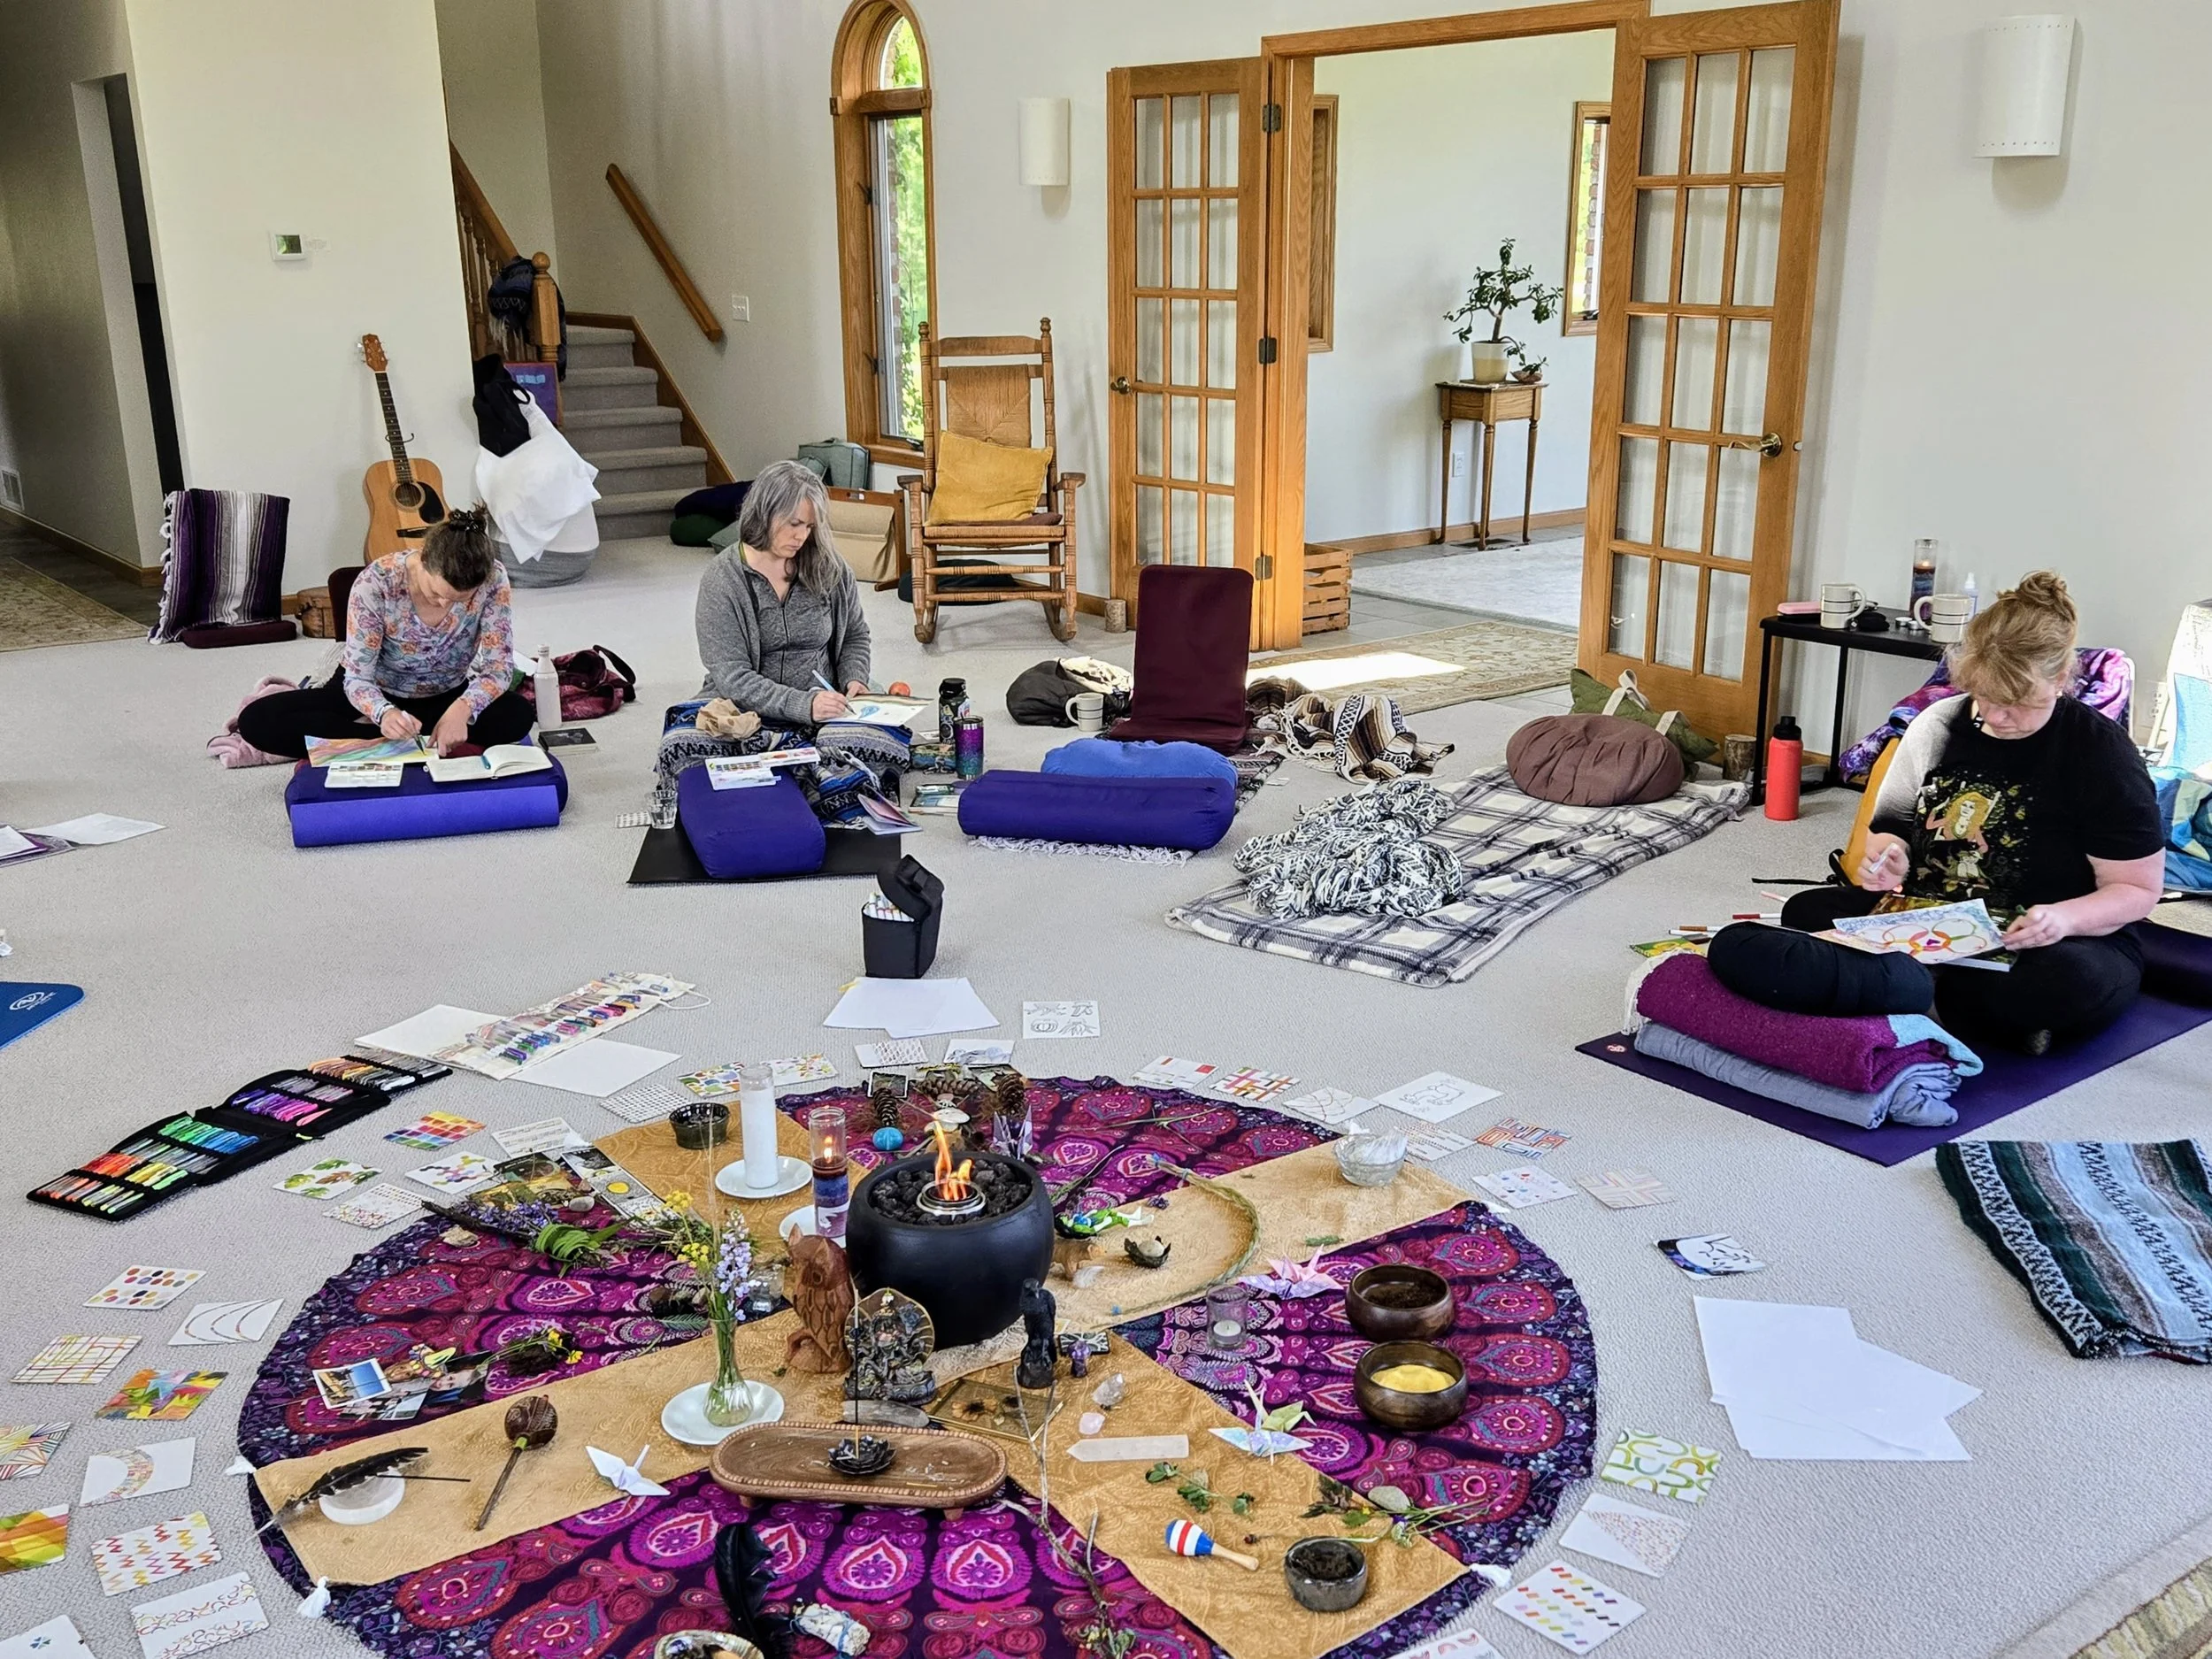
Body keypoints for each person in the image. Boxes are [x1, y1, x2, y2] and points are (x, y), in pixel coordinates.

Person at [1781, 572, 2165, 1050]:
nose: (1999, 717)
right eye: (1986, 698)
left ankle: (1908, 991)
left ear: (2061, 680)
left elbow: (2136, 890)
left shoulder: (2101, 753)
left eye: (2019, 703)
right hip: (1929, 918)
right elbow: (1887, 835)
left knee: (2067, 982)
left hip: (2042, 938)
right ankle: (1945, 1000)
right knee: (1804, 913)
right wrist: (1885, 859)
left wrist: (2063, 920)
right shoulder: (1938, 725)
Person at [236, 507, 532, 760]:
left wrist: (463, 709)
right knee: (257, 721)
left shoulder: (494, 579)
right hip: (372, 693)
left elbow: (498, 668)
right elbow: (357, 679)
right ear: (424, 558)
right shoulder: (376, 583)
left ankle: (387, 741)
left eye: (460, 600)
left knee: (518, 715)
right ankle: (400, 737)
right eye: (436, 593)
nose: (445, 605)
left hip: (446, 693)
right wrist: (384, 714)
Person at [693, 459, 872, 726]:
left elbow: (855, 635)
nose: (802, 536)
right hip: (743, 706)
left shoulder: (830, 567)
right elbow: (732, 676)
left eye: (810, 527)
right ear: (764, 514)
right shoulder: (723, 579)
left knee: (878, 744)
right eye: (794, 523)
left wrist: (854, 677)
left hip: (825, 702)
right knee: (684, 748)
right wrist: (801, 705)